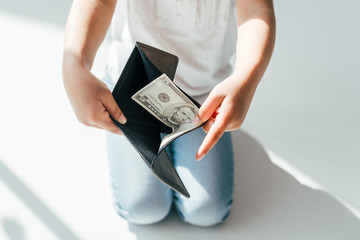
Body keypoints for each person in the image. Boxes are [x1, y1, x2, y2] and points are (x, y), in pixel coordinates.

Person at [62, 0, 276, 227]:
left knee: (206, 211)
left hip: (205, 98)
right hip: (132, 89)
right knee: (142, 208)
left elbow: (256, 9)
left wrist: (246, 79)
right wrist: (74, 64)